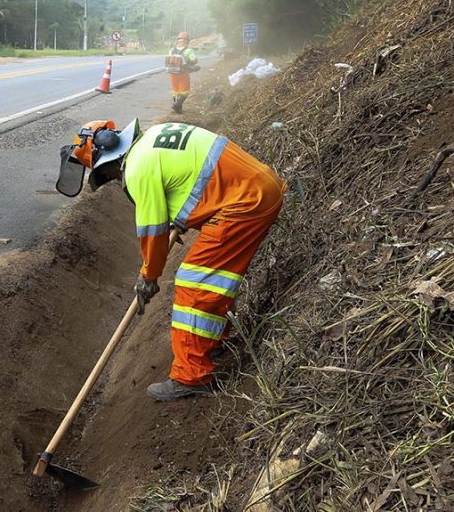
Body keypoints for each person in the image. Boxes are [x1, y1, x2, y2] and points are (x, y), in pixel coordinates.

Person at [55, 119, 285, 401]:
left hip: (243, 204)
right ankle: (210, 342)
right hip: (257, 188)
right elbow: (193, 179)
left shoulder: (138, 170)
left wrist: (148, 277)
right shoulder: (153, 138)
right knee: (213, 281)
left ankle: (192, 377)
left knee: (196, 284)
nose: (116, 179)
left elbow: (152, 233)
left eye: (110, 174)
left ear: (109, 161)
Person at [165, 31, 199, 113]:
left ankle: (177, 105)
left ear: (178, 40)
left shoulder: (172, 50)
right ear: (187, 41)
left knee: (175, 91)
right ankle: (177, 105)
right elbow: (194, 61)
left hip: (173, 74)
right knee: (185, 92)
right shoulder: (189, 50)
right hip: (183, 74)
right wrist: (193, 67)